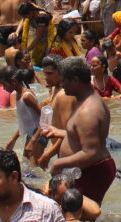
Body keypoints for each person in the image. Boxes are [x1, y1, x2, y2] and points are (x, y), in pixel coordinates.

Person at [43, 56, 115, 205]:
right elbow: (83, 136)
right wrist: (60, 132)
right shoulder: (83, 100)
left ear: (75, 80)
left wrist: (58, 164)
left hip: (92, 171)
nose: (61, 85)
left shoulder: (88, 111)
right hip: (86, 169)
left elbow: (90, 152)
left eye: (63, 80)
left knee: (77, 219)